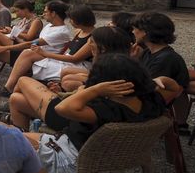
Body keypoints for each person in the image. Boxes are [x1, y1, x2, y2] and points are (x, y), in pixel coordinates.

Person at [24, 54, 167, 173]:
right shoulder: (151, 102)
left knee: (10, 137)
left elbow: (61, 108)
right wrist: (159, 80)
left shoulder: (106, 110)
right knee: (19, 135)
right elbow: (174, 88)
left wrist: (94, 89)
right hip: (97, 164)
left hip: (74, 164)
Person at [7, 27, 135, 130]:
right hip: (75, 112)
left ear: (102, 49)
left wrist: (71, 94)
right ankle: (20, 132)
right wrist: (62, 93)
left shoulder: (105, 73)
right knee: (15, 99)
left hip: (68, 116)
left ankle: (21, 135)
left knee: (23, 80)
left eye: (92, 48)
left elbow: (83, 100)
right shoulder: (124, 71)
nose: (91, 52)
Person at [0, 1, 72, 93]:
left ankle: (6, 87)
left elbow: (31, 43)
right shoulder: (49, 26)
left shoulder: (61, 32)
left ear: (53, 13)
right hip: (32, 50)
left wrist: (5, 48)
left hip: (41, 56)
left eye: (45, 11)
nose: (43, 13)